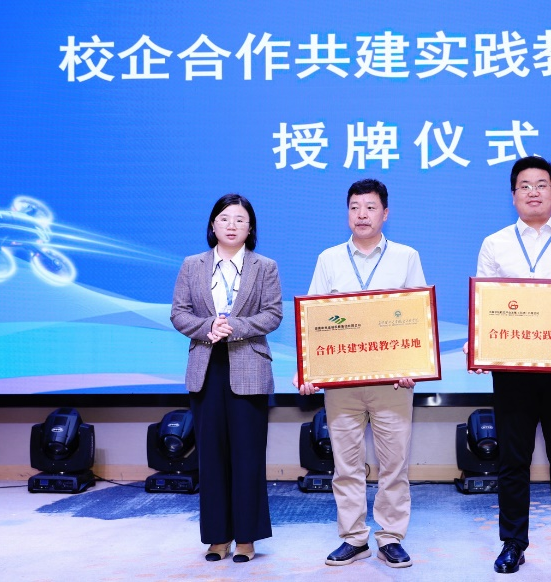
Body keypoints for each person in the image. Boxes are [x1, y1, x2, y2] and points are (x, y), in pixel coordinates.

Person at [465, 156, 551, 575]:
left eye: (541, 184)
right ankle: (513, 543)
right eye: (524, 186)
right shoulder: (495, 243)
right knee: (513, 461)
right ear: (513, 196)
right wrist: (478, 345)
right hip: (512, 371)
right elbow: (485, 304)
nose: (533, 192)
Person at [293, 178, 425, 569]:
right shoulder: (329, 259)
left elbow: (417, 317)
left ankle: (390, 537)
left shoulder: (406, 256)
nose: (361, 214)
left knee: (394, 465)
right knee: (346, 465)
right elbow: (313, 319)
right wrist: (309, 370)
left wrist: (414, 366)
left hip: (391, 383)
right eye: (354, 207)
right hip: (343, 384)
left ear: (385, 213)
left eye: (370, 207)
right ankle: (353, 538)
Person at [171, 193, 283, 563]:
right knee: (211, 456)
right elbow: (179, 313)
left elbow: (272, 314)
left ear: (250, 228)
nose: (231, 225)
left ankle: (247, 539)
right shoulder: (192, 265)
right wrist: (209, 327)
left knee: (248, 456)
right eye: (224, 218)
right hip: (206, 366)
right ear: (212, 225)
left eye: (240, 219)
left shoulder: (265, 267)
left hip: (249, 365)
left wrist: (233, 326)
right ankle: (217, 538)